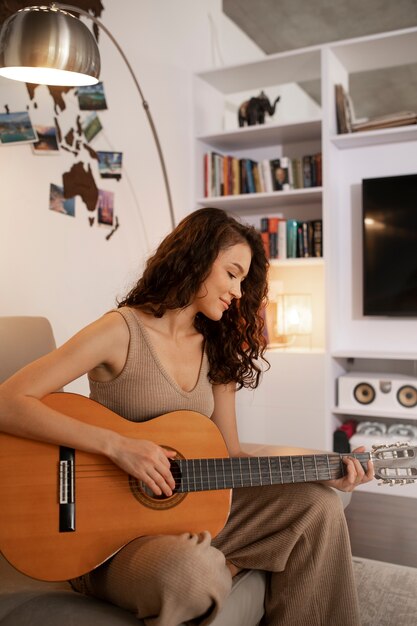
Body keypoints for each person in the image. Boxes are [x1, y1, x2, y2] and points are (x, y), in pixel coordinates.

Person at [0, 207, 373, 626]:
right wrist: (119, 447)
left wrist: (318, 470)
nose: (236, 291)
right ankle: (211, 561)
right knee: (191, 575)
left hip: (188, 514)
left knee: (318, 505)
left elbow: (230, 458)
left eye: (243, 281)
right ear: (197, 256)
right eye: (232, 273)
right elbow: (9, 401)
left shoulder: (217, 349)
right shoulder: (121, 331)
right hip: (108, 540)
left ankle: (217, 555)